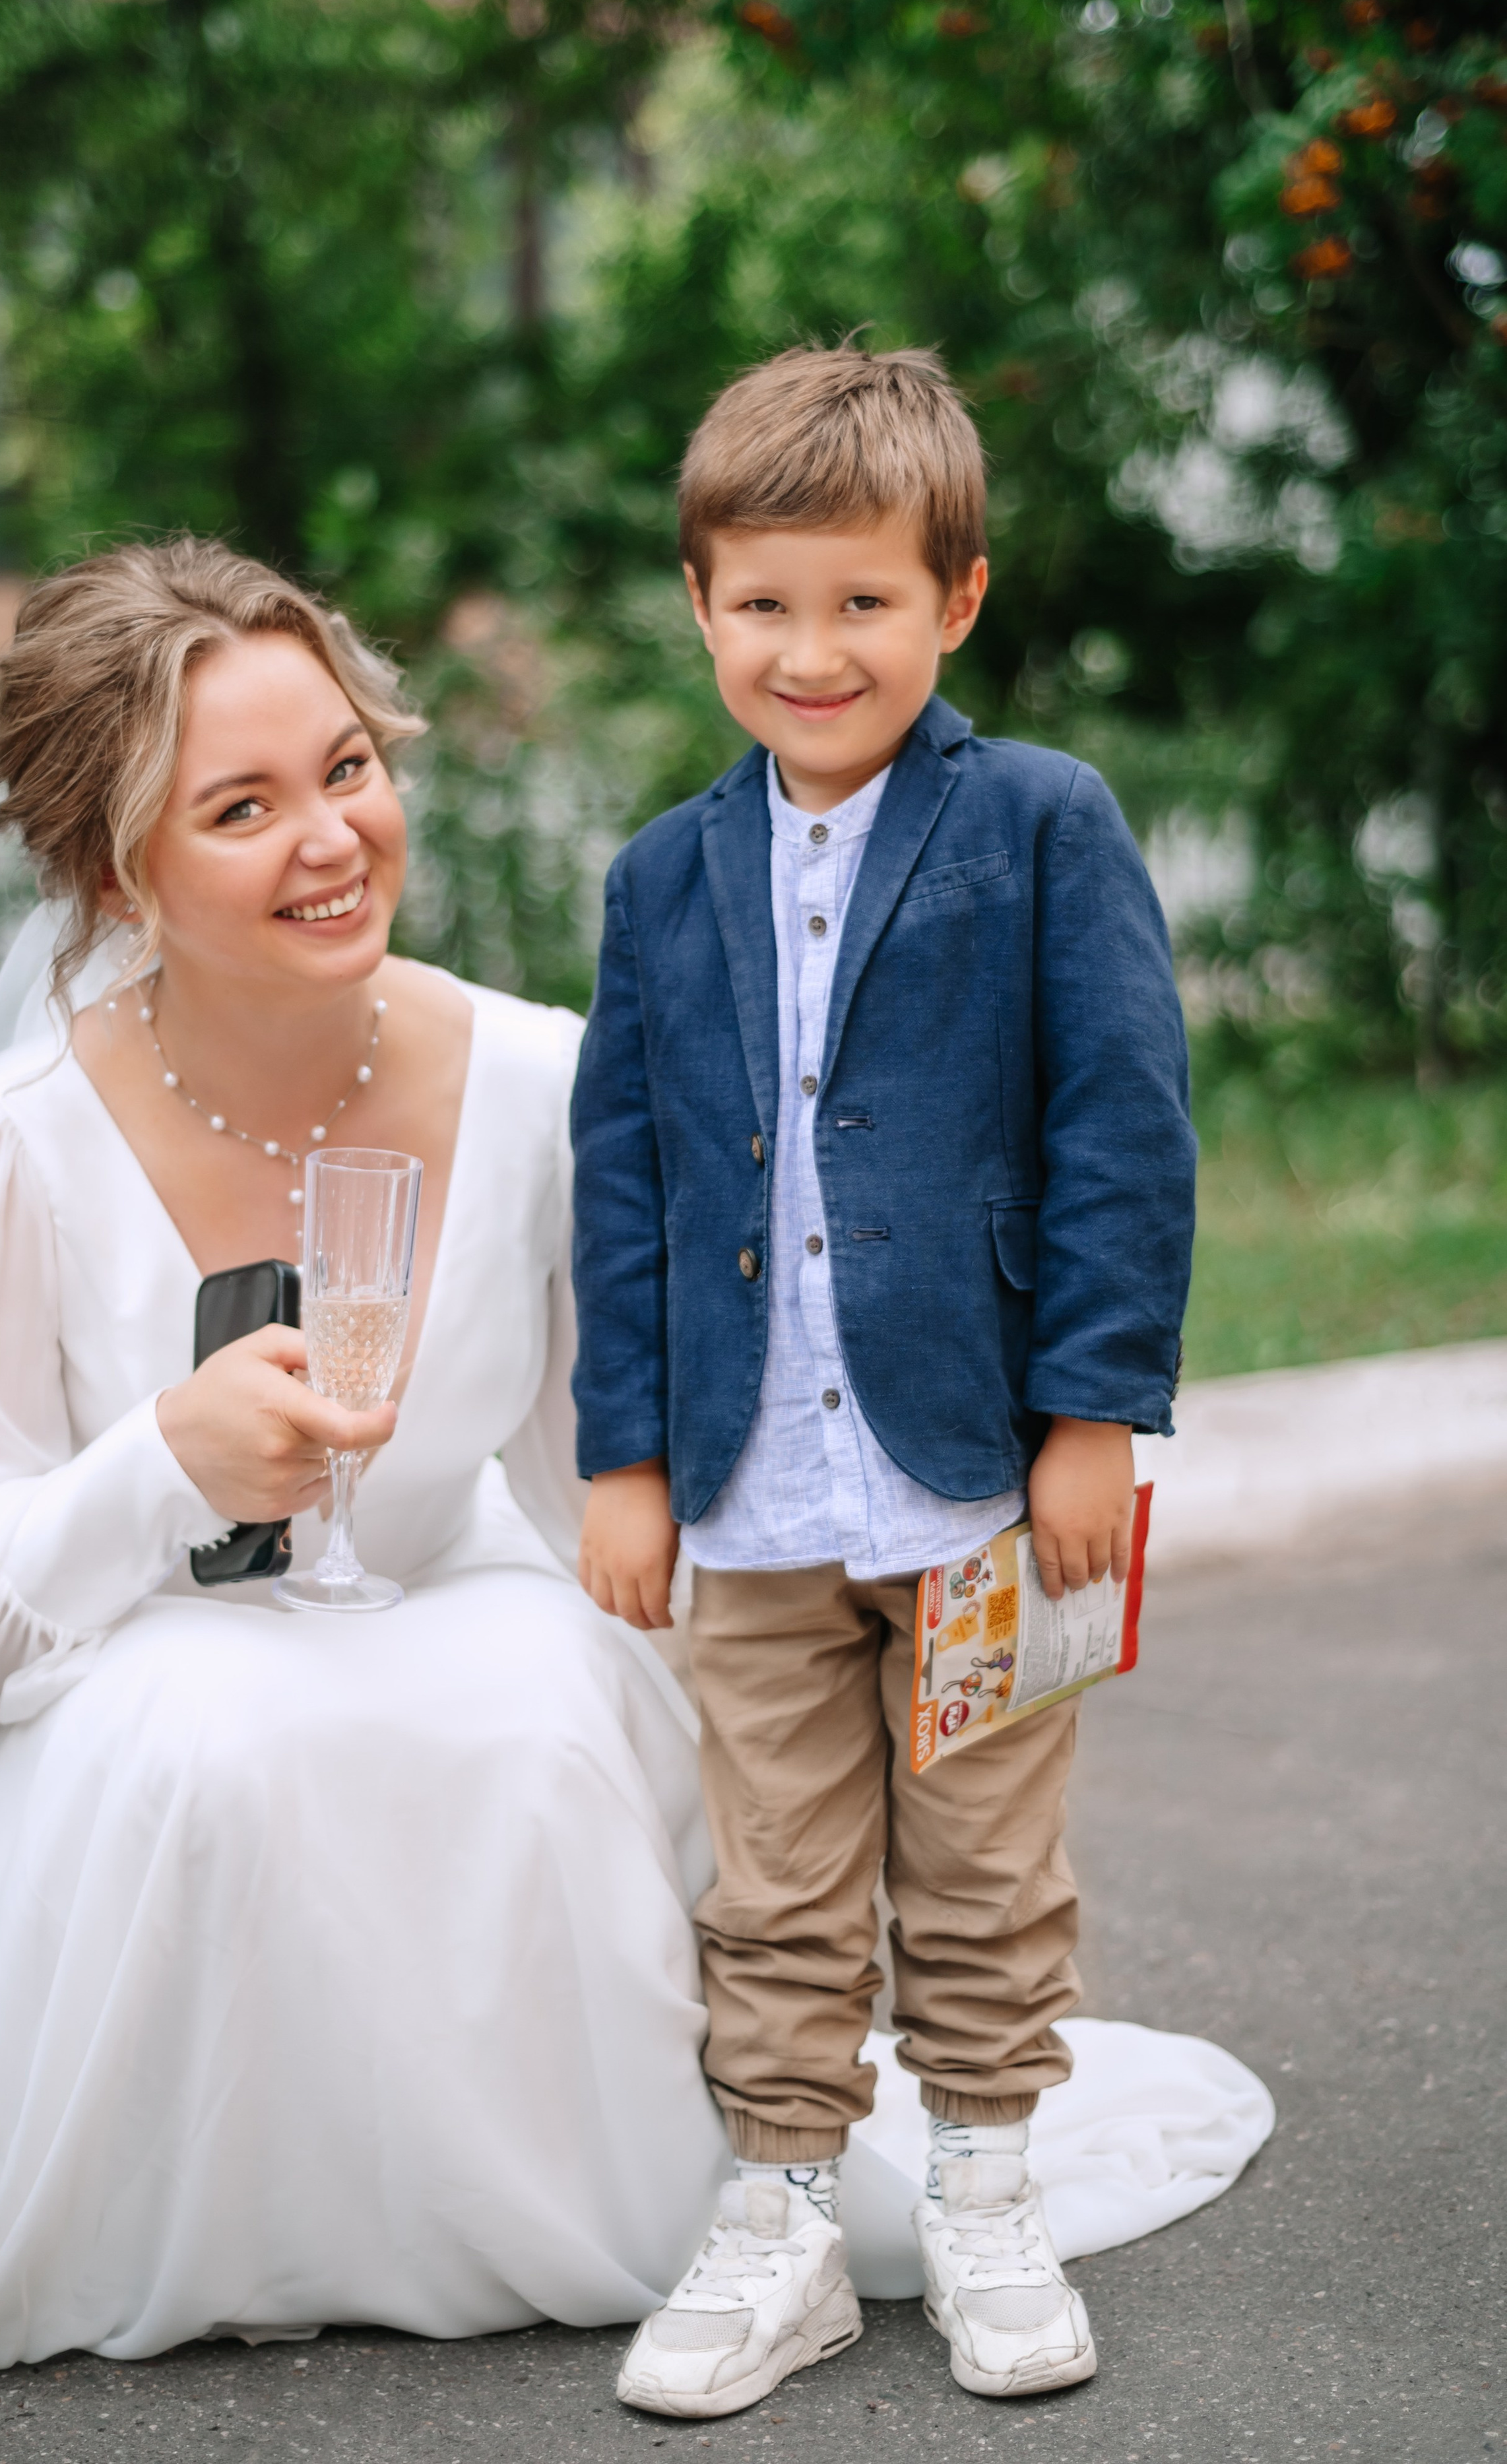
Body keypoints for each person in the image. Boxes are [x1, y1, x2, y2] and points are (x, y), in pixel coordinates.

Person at [0, 538, 731, 2366]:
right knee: (206, 1728)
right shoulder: (3, 1143)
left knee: (545, 1694)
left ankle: (543, 2193)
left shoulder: (546, 1084)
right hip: (117, 1659)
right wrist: (160, 1459)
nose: (333, 836)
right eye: (242, 805)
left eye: (348, 768)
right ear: (112, 869)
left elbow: (608, 1508)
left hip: (434, 1584)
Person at [572, 344, 1198, 2418]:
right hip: (749, 1493)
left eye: (863, 602)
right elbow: (632, 1184)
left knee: (988, 1866)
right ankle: (778, 2220)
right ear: (699, 605)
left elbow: (1123, 1121)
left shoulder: (1039, 823)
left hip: (982, 1494)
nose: (811, 648)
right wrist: (629, 1458)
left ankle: (991, 2185)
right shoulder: (661, 879)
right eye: (765, 602)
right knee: (774, 1876)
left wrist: (1094, 1410)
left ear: (960, 598)